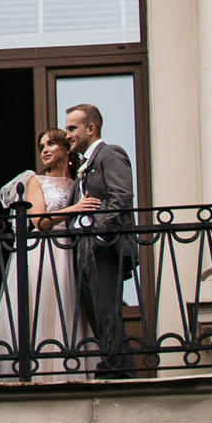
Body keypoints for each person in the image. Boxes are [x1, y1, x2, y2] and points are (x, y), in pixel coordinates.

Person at [0, 128, 85, 380]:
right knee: (41, 306)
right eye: (42, 145)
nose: (44, 149)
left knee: (67, 306)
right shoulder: (35, 180)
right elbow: (40, 220)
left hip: (70, 251)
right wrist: (75, 209)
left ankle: (65, 371)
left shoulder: (79, 183)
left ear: (67, 149)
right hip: (45, 251)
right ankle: (39, 373)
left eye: (51, 143)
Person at [62, 101, 137, 375]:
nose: (67, 134)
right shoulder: (83, 165)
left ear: (90, 128)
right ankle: (112, 360)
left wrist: (98, 234)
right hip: (84, 248)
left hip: (102, 247)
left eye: (72, 128)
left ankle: (120, 369)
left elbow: (122, 198)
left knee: (107, 307)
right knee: (95, 309)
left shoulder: (110, 154)